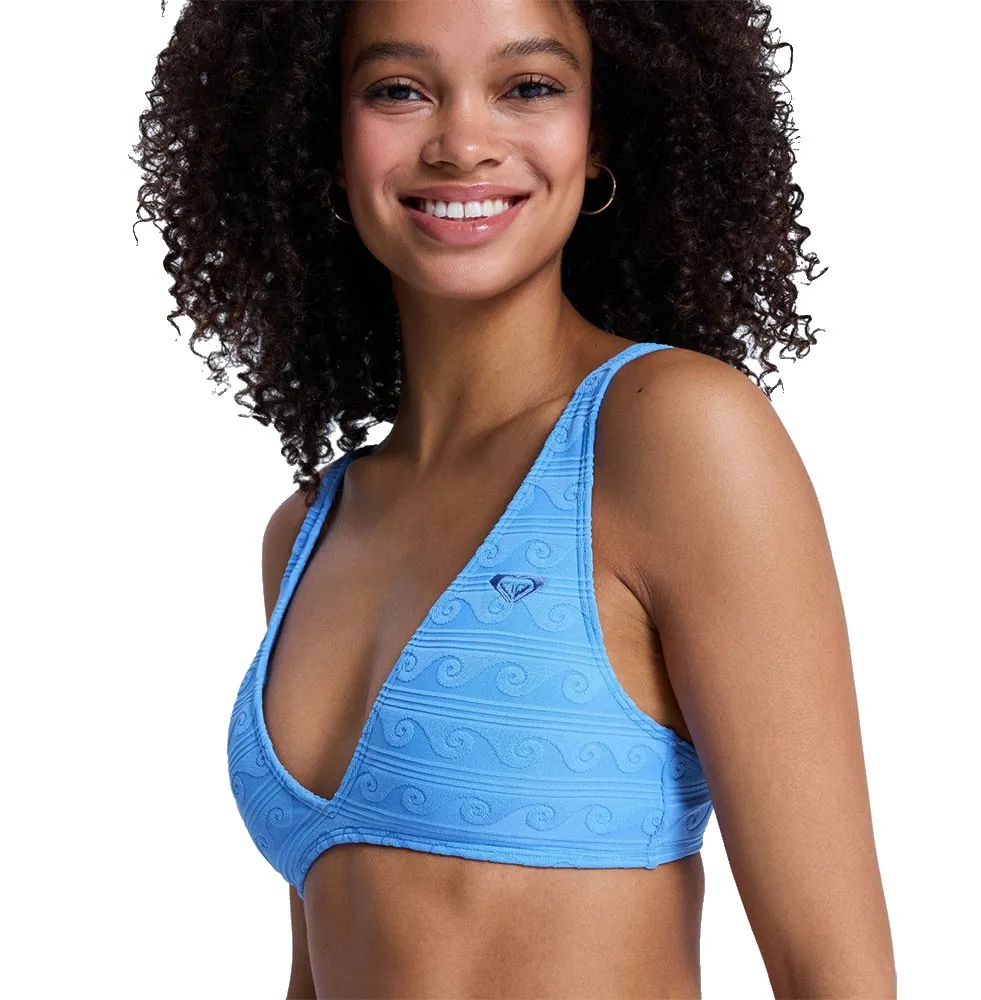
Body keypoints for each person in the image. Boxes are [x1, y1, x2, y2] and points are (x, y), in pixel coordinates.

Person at [134, 1, 896, 996]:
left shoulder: (672, 438)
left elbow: (836, 976)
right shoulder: (309, 531)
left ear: (601, 130)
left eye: (528, 87)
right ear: (323, 135)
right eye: (398, 90)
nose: (462, 143)